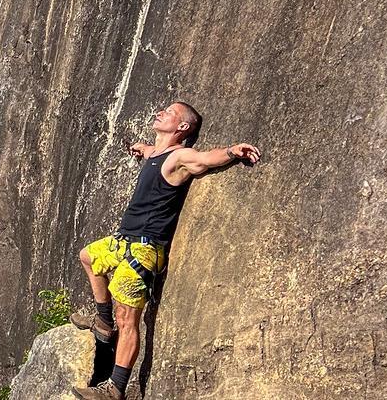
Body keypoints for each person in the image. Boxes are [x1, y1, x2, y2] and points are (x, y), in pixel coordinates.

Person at [71, 101, 261, 400]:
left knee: (129, 318)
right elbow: (151, 153)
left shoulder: (179, 157)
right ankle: (103, 321)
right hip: (123, 241)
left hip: (144, 250)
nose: (160, 113)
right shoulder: (157, 154)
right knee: (88, 256)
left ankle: (115, 388)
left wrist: (231, 151)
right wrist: (141, 147)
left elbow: (203, 160)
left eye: (169, 113)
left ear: (182, 127)